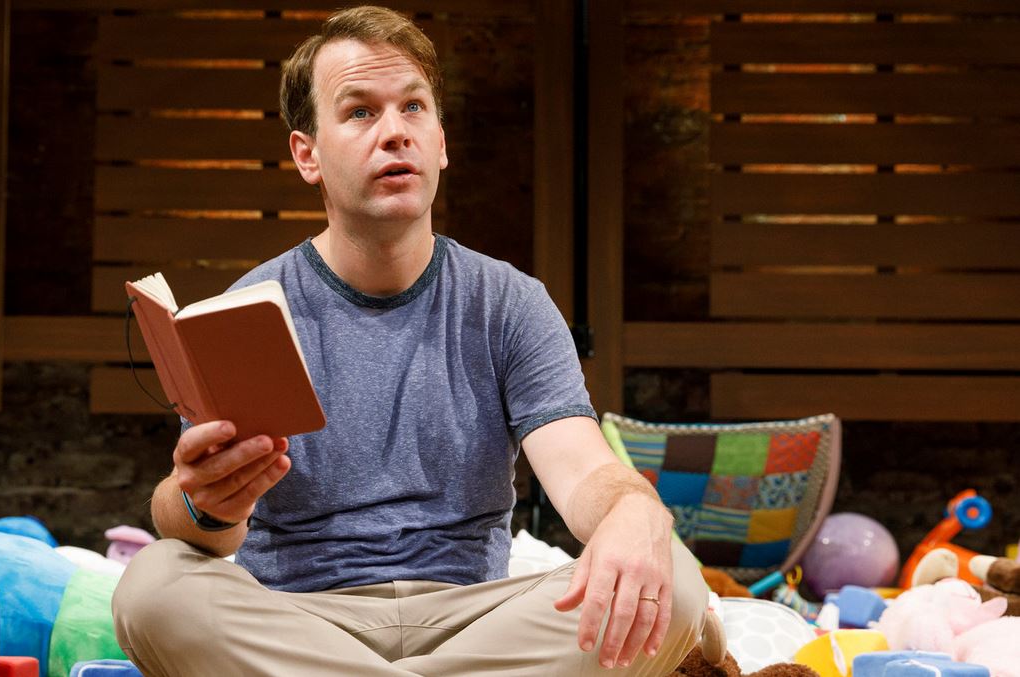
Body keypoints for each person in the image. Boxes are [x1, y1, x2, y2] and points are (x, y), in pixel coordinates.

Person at [112, 6, 708, 676]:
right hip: (302, 619)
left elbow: (582, 468)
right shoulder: (246, 310)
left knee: (677, 580)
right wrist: (198, 502)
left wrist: (631, 508)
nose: (394, 131)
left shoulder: (509, 302)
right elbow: (199, 528)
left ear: (440, 141)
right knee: (152, 585)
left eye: (413, 108)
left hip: (474, 619)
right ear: (307, 154)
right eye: (360, 111)